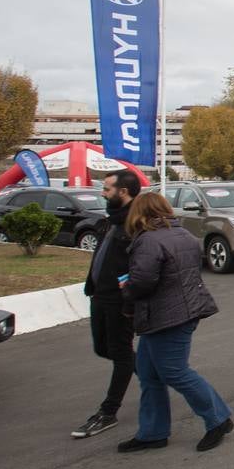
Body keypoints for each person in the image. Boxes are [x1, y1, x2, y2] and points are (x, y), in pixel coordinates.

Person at [116, 192, 232, 453]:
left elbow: (144, 281)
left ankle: (218, 419)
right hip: (180, 310)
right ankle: (153, 432)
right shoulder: (184, 235)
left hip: (167, 315)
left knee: (175, 372)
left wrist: (126, 290)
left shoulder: (148, 241)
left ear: (139, 213)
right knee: (148, 373)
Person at [72, 169, 142, 440]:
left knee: (120, 351)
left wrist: (131, 296)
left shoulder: (136, 222)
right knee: (102, 348)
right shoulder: (112, 220)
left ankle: (108, 411)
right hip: (99, 295)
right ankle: (153, 374)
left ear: (123, 191)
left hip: (120, 300)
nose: (103, 192)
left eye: (107, 188)